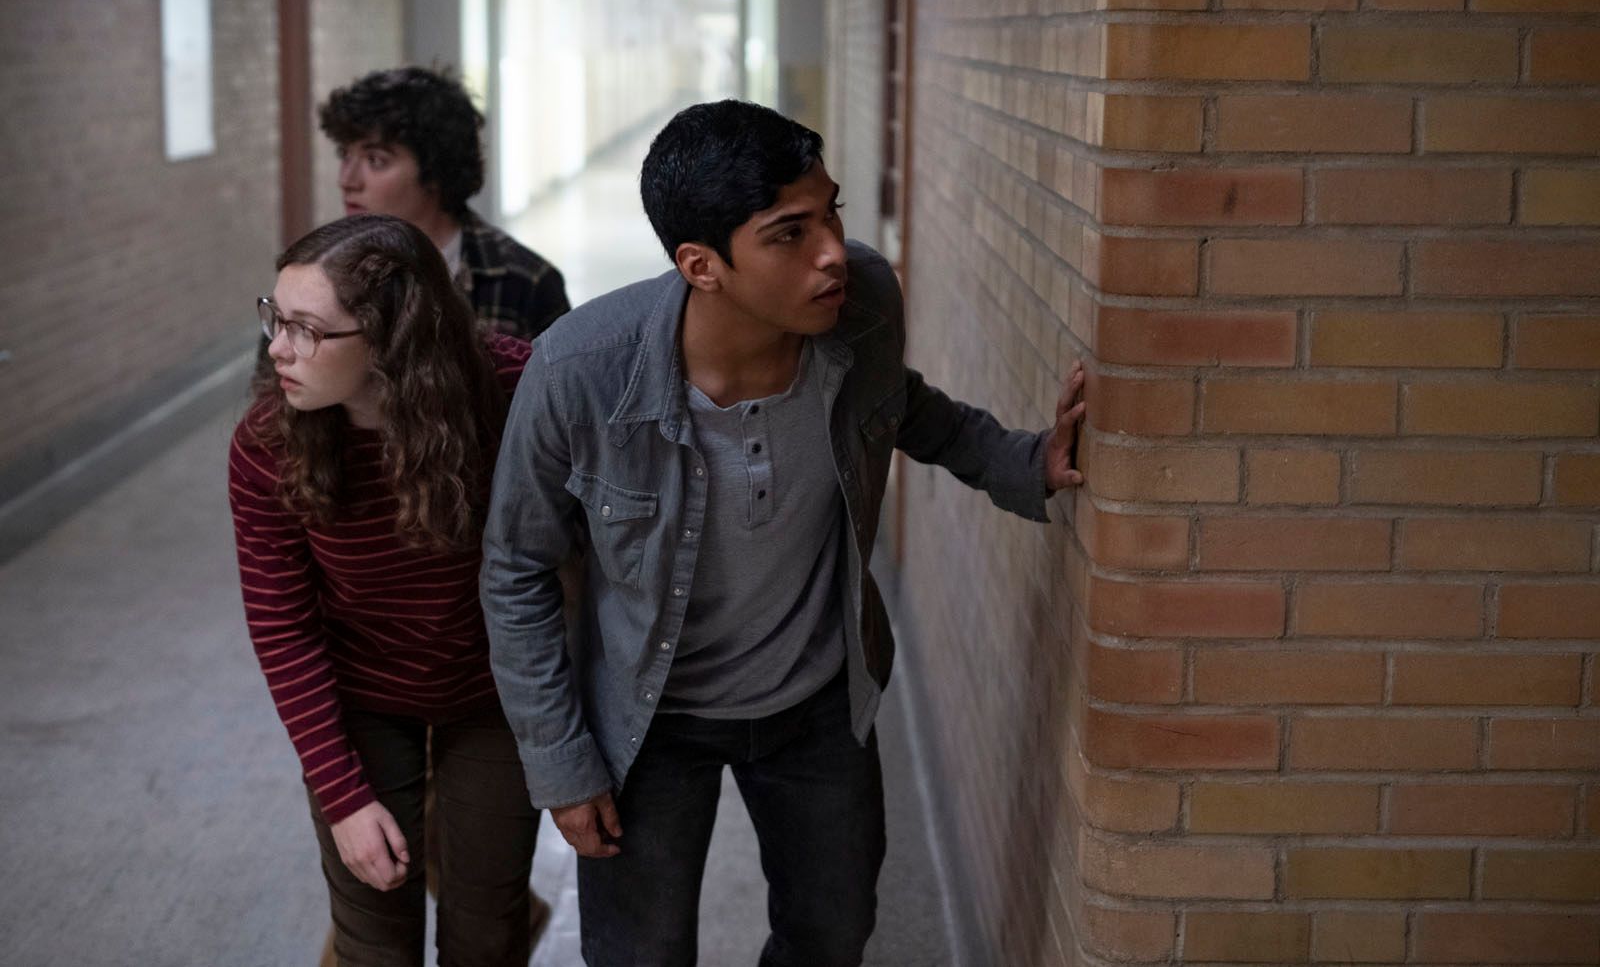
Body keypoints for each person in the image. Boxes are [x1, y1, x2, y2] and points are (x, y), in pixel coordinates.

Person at [479, 100, 1086, 966]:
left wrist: (1028, 460)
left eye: (830, 213)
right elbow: (515, 569)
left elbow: (905, 406)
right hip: (651, 721)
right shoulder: (579, 372)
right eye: (789, 234)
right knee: (639, 953)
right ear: (701, 265)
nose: (832, 250)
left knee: (830, 936)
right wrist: (562, 762)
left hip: (817, 701)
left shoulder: (861, 303)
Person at [228, 214, 541, 967]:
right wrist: (344, 798)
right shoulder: (268, 443)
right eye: (275, 318)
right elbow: (284, 629)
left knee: (487, 929)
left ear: (390, 339)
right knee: (373, 938)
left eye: (306, 330)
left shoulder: (513, 391)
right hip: (361, 695)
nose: (278, 350)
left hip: (496, 690)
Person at [318, 65, 570, 340]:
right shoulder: (323, 269)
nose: (347, 179)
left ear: (436, 169)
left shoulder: (526, 283)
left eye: (375, 160)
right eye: (345, 155)